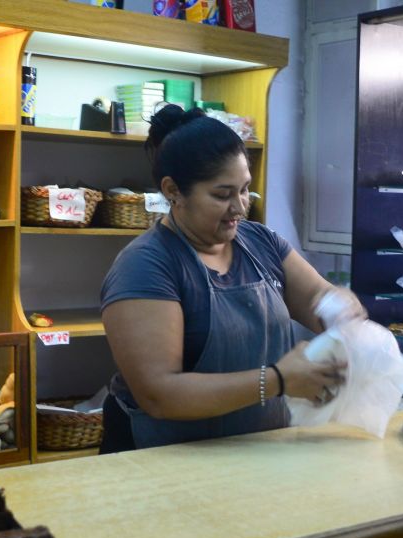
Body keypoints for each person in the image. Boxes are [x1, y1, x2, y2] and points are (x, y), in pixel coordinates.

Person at [100, 105, 361, 452]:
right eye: (222, 195)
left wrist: (342, 311)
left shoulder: (261, 242)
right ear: (173, 190)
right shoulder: (146, 265)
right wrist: (279, 379)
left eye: (245, 190)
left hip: (256, 453)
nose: (239, 207)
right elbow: (159, 394)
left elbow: (319, 300)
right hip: (165, 463)